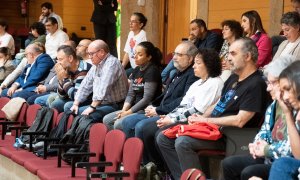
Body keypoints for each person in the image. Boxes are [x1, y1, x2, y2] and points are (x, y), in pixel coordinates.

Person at [156, 38, 270, 179]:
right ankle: (182, 177)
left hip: (230, 135)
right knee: (164, 136)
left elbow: (240, 120)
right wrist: (200, 118)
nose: (228, 58)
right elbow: (218, 103)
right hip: (211, 127)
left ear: (247, 56)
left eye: (233, 54)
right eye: (228, 53)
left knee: (183, 142)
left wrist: (207, 120)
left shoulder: (256, 84)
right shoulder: (234, 78)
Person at [121, 41, 199, 167]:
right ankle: (139, 163)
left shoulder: (192, 75)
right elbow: (165, 95)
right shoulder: (176, 73)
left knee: (142, 127)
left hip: (171, 113)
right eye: (174, 53)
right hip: (160, 109)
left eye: (179, 54)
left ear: (190, 59)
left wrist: (158, 110)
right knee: (127, 122)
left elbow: (183, 100)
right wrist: (152, 105)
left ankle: (153, 166)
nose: (174, 57)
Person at [221, 55, 296, 180]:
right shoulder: (274, 105)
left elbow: (291, 149)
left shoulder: (295, 106)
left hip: (286, 162)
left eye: (272, 83)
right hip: (269, 157)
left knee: (250, 172)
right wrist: (257, 144)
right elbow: (263, 131)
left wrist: (266, 149)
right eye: (268, 82)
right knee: (228, 164)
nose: (268, 88)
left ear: (287, 81)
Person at [103, 41, 162, 130]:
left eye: (140, 54)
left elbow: (147, 99)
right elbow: (131, 93)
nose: (135, 56)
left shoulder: (152, 71)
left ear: (149, 57)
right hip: (134, 107)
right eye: (135, 53)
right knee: (107, 119)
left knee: (118, 124)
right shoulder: (136, 69)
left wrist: (127, 113)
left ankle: (127, 142)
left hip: (145, 109)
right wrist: (124, 110)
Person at [66, 40, 128, 122]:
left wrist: (92, 107)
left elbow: (104, 87)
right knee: (69, 106)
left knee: (81, 114)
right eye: (89, 54)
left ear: (101, 52)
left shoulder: (112, 63)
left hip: (115, 104)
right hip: (99, 103)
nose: (89, 57)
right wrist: (76, 103)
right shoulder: (96, 64)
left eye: (91, 54)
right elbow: (85, 84)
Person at [161, 18, 223, 84]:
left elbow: (206, 54)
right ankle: (165, 87)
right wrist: (190, 42)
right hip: (189, 61)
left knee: (172, 72)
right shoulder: (197, 38)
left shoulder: (213, 37)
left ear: (202, 29)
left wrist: (191, 45)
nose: (191, 33)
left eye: (193, 29)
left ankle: (165, 87)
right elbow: (190, 51)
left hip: (200, 64)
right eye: (190, 30)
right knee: (170, 69)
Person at [267, 61, 300, 180]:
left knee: (282, 164)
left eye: (287, 89)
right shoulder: (277, 107)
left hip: (276, 158)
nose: (285, 96)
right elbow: (299, 156)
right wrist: (288, 115)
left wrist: (266, 149)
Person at [46, 45, 91, 112]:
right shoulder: (68, 68)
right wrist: (61, 79)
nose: (58, 63)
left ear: (70, 58)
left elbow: (77, 97)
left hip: (88, 100)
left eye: (60, 59)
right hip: (74, 96)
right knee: (51, 100)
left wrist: (65, 79)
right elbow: (62, 96)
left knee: (64, 105)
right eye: (57, 59)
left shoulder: (83, 71)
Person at [122, 12, 148, 77]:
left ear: (141, 24)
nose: (130, 23)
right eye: (130, 21)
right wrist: (121, 68)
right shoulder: (130, 33)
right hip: (133, 68)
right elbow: (127, 53)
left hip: (141, 69)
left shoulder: (142, 35)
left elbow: (143, 57)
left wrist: (136, 73)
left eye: (133, 21)